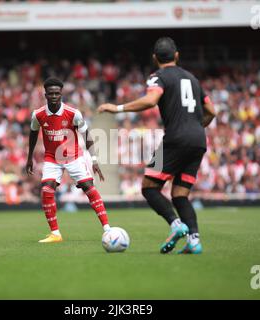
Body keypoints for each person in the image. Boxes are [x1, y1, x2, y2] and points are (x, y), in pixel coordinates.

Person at [98, 37, 216, 254]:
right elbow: (212, 111)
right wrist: (195, 127)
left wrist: (118, 108)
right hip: (198, 140)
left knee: (149, 188)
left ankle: (176, 225)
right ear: (177, 56)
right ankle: (194, 241)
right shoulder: (192, 79)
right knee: (180, 195)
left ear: (154, 58)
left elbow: (151, 100)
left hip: (175, 139)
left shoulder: (158, 76)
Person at [26, 77, 110, 243]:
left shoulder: (73, 113)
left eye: (57, 93)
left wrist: (93, 159)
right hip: (51, 158)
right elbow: (33, 134)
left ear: (61, 93)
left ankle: (107, 229)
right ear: (46, 95)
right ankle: (55, 233)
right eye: (51, 93)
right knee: (47, 190)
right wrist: (29, 158)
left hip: (74, 156)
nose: (54, 96)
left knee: (89, 187)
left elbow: (87, 134)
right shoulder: (38, 115)